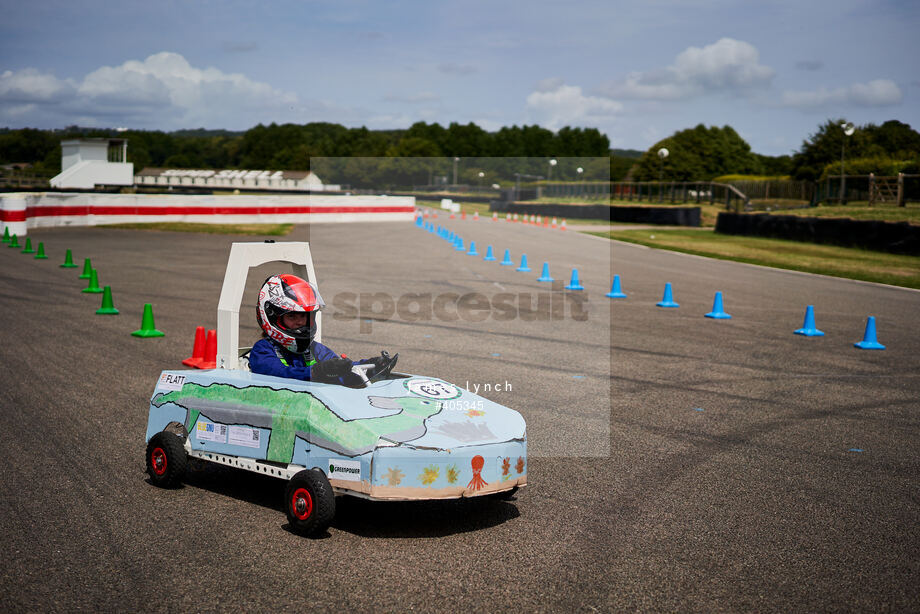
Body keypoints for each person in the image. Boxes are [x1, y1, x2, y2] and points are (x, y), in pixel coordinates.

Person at [249, 274, 388, 384]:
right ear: (273, 317)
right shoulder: (262, 350)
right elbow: (279, 373)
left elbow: (344, 368)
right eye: (292, 316)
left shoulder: (316, 350)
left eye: (304, 316)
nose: (300, 322)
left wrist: (371, 366)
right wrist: (316, 372)